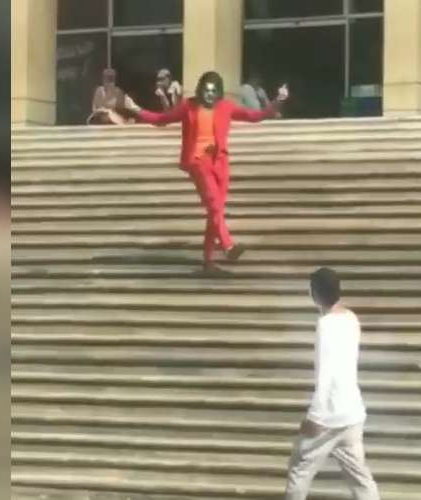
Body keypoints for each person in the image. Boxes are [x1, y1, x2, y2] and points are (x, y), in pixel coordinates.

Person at [123, 71, 289, 274]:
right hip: (197, 162)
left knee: (215, 212)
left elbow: (255, 116)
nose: (209, 95)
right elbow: (162, 119)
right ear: (201, 90)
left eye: (213, 91)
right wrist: (135, 109)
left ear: (219, 92)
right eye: (206, 90)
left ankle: (208, 262)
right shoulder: (188, 106)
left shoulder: (226, 107)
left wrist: (277, 101)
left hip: (220, 163)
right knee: (214, 205)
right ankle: (228, 246)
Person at [283, 268, 381, 500]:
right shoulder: (351, 318)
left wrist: (314, 417)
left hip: (327, 417)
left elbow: (325, 374)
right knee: (361, 479)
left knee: (299, 470)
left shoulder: (325, 325)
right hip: (352, 413)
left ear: (315, 293)